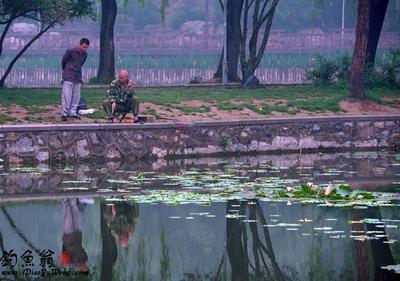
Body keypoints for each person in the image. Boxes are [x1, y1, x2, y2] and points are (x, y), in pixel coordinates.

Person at [61, 38, 90, 122]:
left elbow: (81, 63)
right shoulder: (70, 51)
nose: (84, 49)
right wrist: (67, 70)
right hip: (69, 76)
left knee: (76, 97)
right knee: (67, 96)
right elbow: (64, 62)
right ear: (80, 44)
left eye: (86, 47)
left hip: (77, 77)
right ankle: (64, 113)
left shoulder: (85, 55)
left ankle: (72, 112)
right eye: (83, 47)